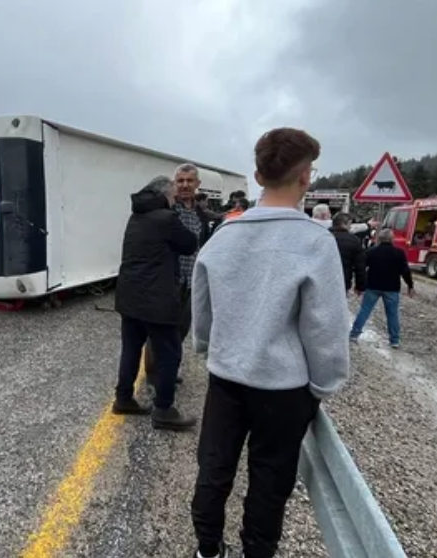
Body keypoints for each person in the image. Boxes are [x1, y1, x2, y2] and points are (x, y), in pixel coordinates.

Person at [189, 128, 351, 558]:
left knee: (214, 468)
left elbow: (201, 306)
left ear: (259, 176)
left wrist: (207, 346)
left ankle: (207, 549)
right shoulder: (315, 242)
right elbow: (325, 327)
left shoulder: (224, 236)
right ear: (306, 177)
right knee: (270, 480)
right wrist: (324, 383)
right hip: (283, 388)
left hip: (226, 377)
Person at [112, 175, 199, 431]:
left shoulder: (135, 216)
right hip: (157, 299)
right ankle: (164, 409)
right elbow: (189, 244)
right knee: (170, 352)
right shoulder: (167, 218)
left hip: (129, 296)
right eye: (172, 195)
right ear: (163, 195)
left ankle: (123, 398)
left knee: (131, 349)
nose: (174, 199)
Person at [142, 163, 214, 387]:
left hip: (191, 282)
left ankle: (169, 367)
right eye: (180, 181)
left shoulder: (202, 215)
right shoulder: (168, 209)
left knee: (181, 329)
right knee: (159, 330)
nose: (184, 185)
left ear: (197, 184)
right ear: (174, 184)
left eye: (189, 180)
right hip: (168, 280)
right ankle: (154, 373)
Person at [348, 228, 415, 349]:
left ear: (378, 238)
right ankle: (394, 340)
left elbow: (361, 268)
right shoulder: (399, 253)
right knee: (392, 314)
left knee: (365, 311)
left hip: (373, 285)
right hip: (392, 287)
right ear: (392, 239)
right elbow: (405, 271)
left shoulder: (371, 252)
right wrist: (410, 286)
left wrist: (360, 285)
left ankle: (354, 334)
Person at [329, 213, 367, 294]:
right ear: (345, 224)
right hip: (343, 280)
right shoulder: (354, 240)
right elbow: (360, 266)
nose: (350, 227)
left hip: (323, 279)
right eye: (350, 224)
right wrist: (360, 286)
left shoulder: (323, 236)